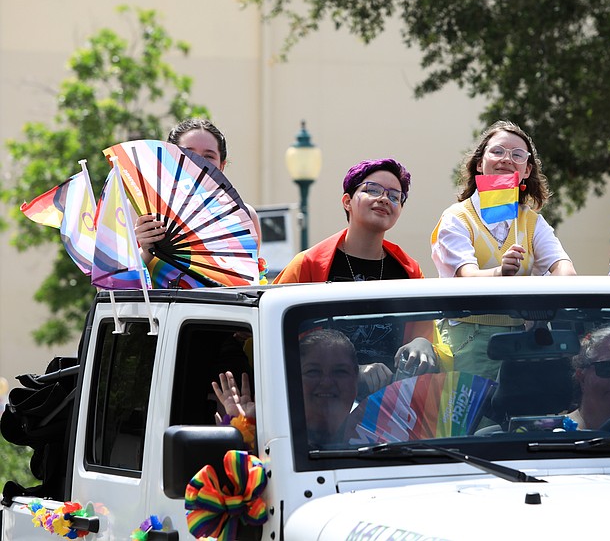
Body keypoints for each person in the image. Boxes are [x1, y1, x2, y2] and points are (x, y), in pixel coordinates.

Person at [273, 158, 440, 393]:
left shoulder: (409, 272)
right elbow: (278, 338)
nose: (384, 199)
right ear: (347, 201)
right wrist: (349, 374)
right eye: (373, 190)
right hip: (322, 402)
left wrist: (423, 344)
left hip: (391, 407)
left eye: (395, 196)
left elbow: (427, 336)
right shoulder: (308, 265)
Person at [430, 120, 577, 380]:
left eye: (517, 155)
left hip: (521, 343)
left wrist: (554, 283)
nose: (506, 159)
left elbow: (564, 269)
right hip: (466, 342)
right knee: (474, 420)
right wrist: (500, 273)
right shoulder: (456, 218)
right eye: (497, 151)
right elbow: (466, 277)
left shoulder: (532, 220)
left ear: (527, 170)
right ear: (479, 164)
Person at [134, 118, 262, 287]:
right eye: (188, 153)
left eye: (208, 156)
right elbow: (109, 286)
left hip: (220, 311)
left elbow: (248, 284)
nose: (198, 162)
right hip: (159, 312)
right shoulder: (139, 209)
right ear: (169, 159)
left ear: (221, 166)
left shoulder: (243, 216)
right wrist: (145, 251)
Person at [213, 329, 358, 448]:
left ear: (355, 381)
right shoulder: (270, 437)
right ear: (291, 381)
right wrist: (244, 432)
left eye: (340, 371)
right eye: (313, 371)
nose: (327, 382)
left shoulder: (376, 434)